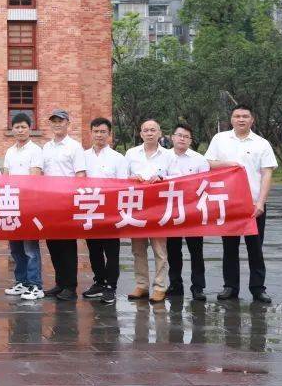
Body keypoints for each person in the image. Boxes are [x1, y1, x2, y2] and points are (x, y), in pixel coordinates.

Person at [205, 104, 277, 304]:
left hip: (254, 205)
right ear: (231, 119)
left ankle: (257, 288)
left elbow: (267, 174)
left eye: (245, 116)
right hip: (228, 204)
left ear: (252, 120)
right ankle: (230, 287)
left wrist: (261, 203)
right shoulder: (220, 140)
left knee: (255, 248)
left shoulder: (262, 144)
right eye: (237, 116)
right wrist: (228, 164)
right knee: (229, 247)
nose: (241, 119)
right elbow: (207, 163)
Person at [124, 119, 174, 303]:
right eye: (146, 130)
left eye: (153, 130)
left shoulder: (168, 155)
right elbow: (121, 177)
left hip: (159, 208)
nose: (150, 133)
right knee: (138, 249)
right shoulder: (131, 153)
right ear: (141, 133)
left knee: (160, 250)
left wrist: (162, 177)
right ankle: (141, 285)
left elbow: (177, 177)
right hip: (136, 208)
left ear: (160, 133)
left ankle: (160, 286)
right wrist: (131, 178)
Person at [40, 109, 87, 301]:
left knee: (67, 246)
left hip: (67, 202)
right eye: (54, 121)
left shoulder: (75, 147)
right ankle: (60, 283)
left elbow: (81, 175)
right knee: (53, 244)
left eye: (61, 121)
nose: (57, 124)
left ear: (68, 123)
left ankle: (70, 286)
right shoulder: (46, 147)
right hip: (50, 203)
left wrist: (74, 200)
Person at [82, 117, 127, 303]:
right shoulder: (83, 156)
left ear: (109, 134)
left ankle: (111, 286)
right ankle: (99, 281)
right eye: (96, 131)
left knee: (111, 251)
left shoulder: (118, 158)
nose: (99, 135)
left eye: (103, 132)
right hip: (89, 209)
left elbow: (123, 185)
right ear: (91, 133)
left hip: (110, 212)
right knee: (94, 250)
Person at [2, 113, 45, 301]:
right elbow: (5, 176)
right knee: (15, 248)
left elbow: (35, 177)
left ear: (30, 129)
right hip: (11, 204)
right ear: (12, 130)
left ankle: (35, 285)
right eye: (17, 127)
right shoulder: (10, 151)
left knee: (30, 247)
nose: (20, 130)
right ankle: (22, 282)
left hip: (29, 205)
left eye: (23, 127)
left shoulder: (35, 150)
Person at [165, 122, 210, 301]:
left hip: (193, 212)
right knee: (173, 250)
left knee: (196, 251)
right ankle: (175, 285)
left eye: (186, 136)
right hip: (170, 211)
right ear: (172, 137)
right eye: (179, 135)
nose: (182, 139)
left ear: (190, 140)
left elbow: (205, 184)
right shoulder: (163, 157)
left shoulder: (199, 159)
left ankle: (198, 287)